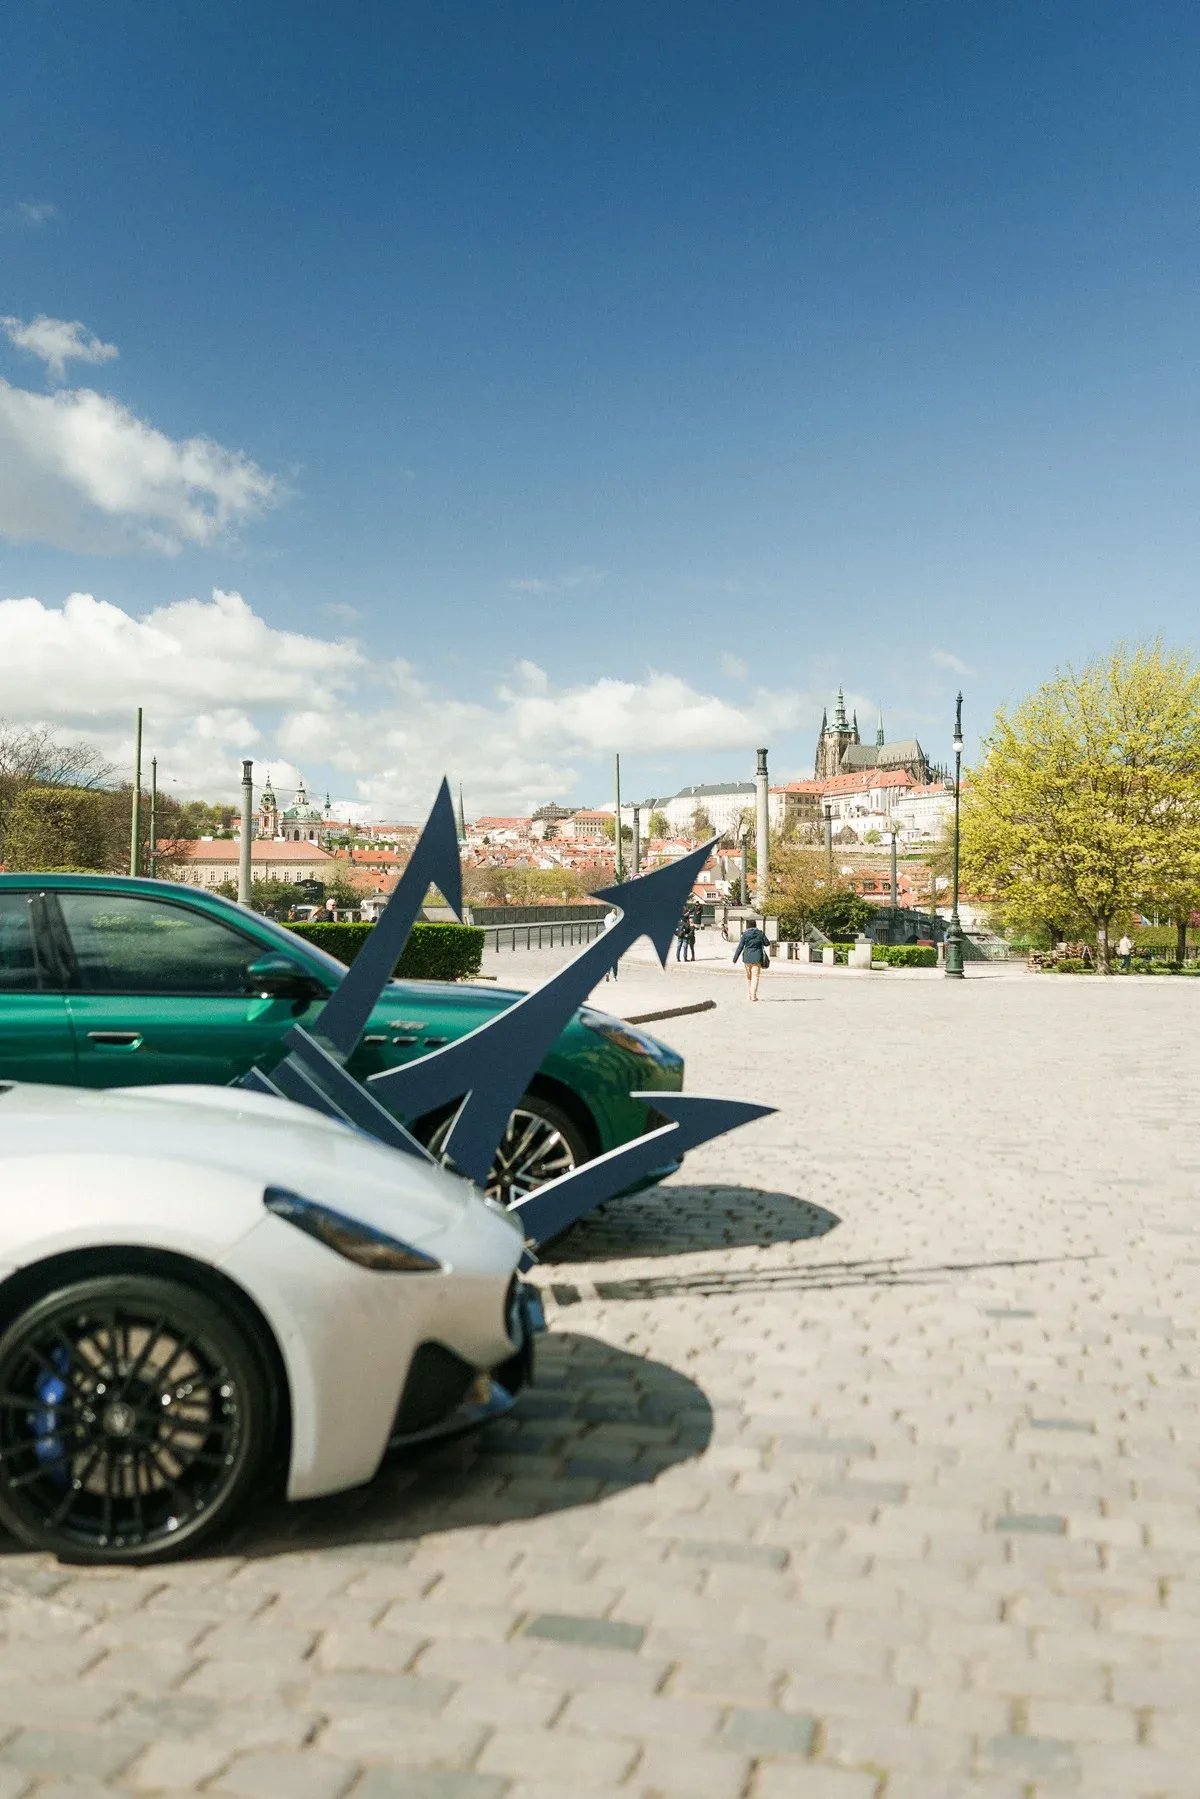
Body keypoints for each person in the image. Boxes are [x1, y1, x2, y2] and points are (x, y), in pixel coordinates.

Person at [733, 914, 770, 1000]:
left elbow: (740, 947)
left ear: (747, 926)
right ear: (755, 925)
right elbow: (767, 943)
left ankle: (749, 995)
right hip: (757, 957)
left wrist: (735, 958)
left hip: (747, 958)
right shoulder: (760, 933)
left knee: (748, 977)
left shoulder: (745, 934)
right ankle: (753, 995)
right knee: (755, 976)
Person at [603, 905, 620, 980]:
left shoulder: (607, 916)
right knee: (615, 961)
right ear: (614, 911)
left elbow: (605, 922)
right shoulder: (615, 916)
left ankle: (607, 972)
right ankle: (614, 977)